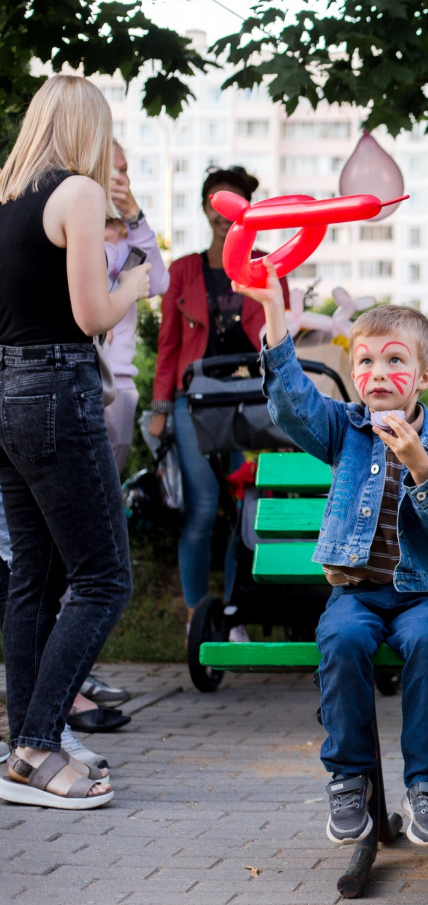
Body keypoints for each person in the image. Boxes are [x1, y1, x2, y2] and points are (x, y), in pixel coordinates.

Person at [242, 274, 428, 848]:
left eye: (394, 360)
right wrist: (276, 312)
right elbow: (291, 400)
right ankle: (348, 779)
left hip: (421, 595)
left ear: (422, 378)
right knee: (344, 640)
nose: (377, 373)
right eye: (366, 362)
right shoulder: (344, 430)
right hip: (355, 593)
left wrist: (421, 465)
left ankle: (427, 786)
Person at [0, 75, 151, 808]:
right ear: (88, 127)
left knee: (35, 573)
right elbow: (92, 314)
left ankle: (23, 748)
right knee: (102, 577)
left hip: (5, 391)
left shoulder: (4, 197)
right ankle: (36, 745)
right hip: (56, 391)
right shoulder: (78, 195)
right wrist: (140, 283)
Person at [149, 166, 288, 620]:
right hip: (198, 402)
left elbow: (281, 338)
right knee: (204, 507)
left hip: (253, 401)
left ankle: (233, 612)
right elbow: (168, 344)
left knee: (245, 508)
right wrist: (160, 408)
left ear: (248, 209)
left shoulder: (269, 267)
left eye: (232, 203)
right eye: (215, 202)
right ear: (207, 208)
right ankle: (196, 617)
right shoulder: (185, 271)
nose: (222, 214)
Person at [102, 142, 169, 471]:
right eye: (111, 168)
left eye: (124, 169)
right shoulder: (74, 224)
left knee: (108, 490)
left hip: (121, 384)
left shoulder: (132, 234)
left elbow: (158, 283)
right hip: (81, 377)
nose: (119, 178)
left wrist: (134, 217)